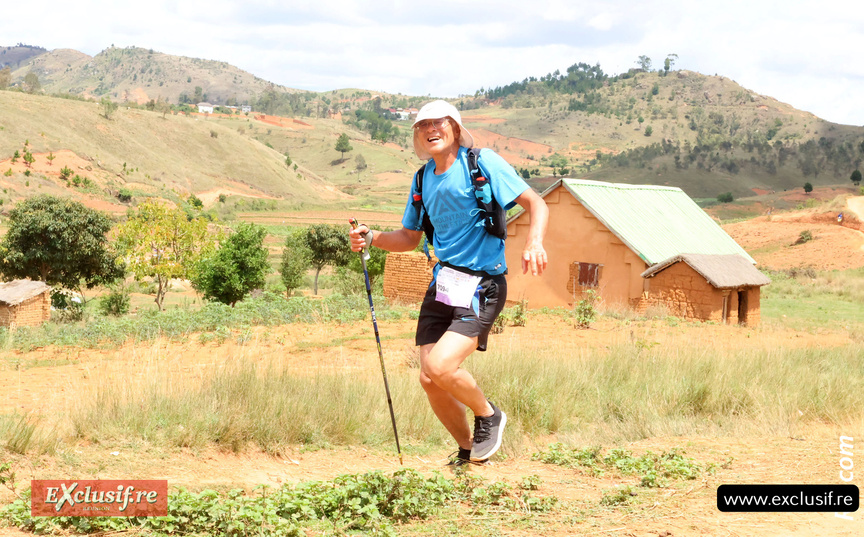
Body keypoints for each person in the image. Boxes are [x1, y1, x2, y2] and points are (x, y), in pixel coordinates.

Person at [349, 100, 549, 465]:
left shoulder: (482, 163)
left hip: (482, 284)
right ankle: (468, 450)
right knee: (430, 378)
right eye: (423, 124)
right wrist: (372, 237)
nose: (431, 129)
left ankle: (489, 414)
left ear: (455, 128)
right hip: (444, 283)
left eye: (438, 122)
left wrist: (534, 241)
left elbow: (536, 203)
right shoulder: (422, 178)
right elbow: (409, 238)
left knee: (441, 366)